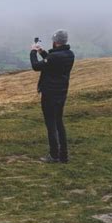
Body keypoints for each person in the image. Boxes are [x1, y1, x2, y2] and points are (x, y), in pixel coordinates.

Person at [30, 30, 75, 163]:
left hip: (50, 93)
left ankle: (54, 155)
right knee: (59, 122)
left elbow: (36, 66)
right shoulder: (69, 54)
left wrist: (33, 51)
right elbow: (51, 62)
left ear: (55, 42)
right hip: (61, 92)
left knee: (51, 124)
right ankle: (64, 155)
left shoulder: (54, 57)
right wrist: (42, 52)